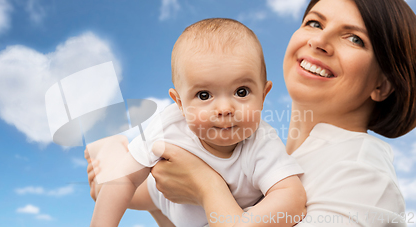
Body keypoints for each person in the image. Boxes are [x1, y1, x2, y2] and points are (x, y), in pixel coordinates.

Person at [89, 0, 416, 226]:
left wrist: (206, 186)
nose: (319, 41)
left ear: (383, 85)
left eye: (354, 38)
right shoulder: (275, 151)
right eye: (314, 22)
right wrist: (128, 181)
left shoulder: (362, 176)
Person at [88, 18, 306, 227]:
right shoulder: (169, 128)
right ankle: (109, 148)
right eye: (204, 95)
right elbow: (122, 181)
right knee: (105, 186)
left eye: (241, 92)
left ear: (263, 95)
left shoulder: (262, 144)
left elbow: (292, 198)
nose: (224, 109)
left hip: (201, 215)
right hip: (161, 190)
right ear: (180, 104)